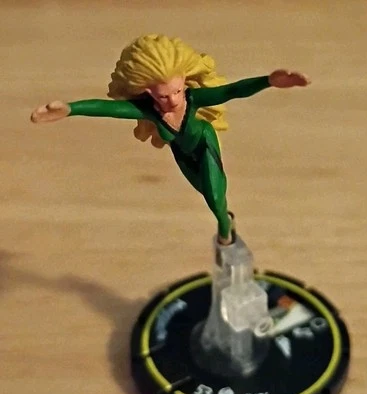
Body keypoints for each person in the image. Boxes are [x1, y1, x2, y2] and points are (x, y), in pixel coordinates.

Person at [30, 34, 310, 245]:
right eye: (164, 95)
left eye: (177, 91)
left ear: (184, 81)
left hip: (204, 144)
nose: (173, 100)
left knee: (215, 196)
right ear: (148, 92)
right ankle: (225, 221)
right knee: (206, 194)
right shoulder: (150, 111)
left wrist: (268, 81)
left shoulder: (192, 98)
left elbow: (232, 91)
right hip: (183, 153)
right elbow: (108, 109)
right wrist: (70, 109)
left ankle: (226, 232)